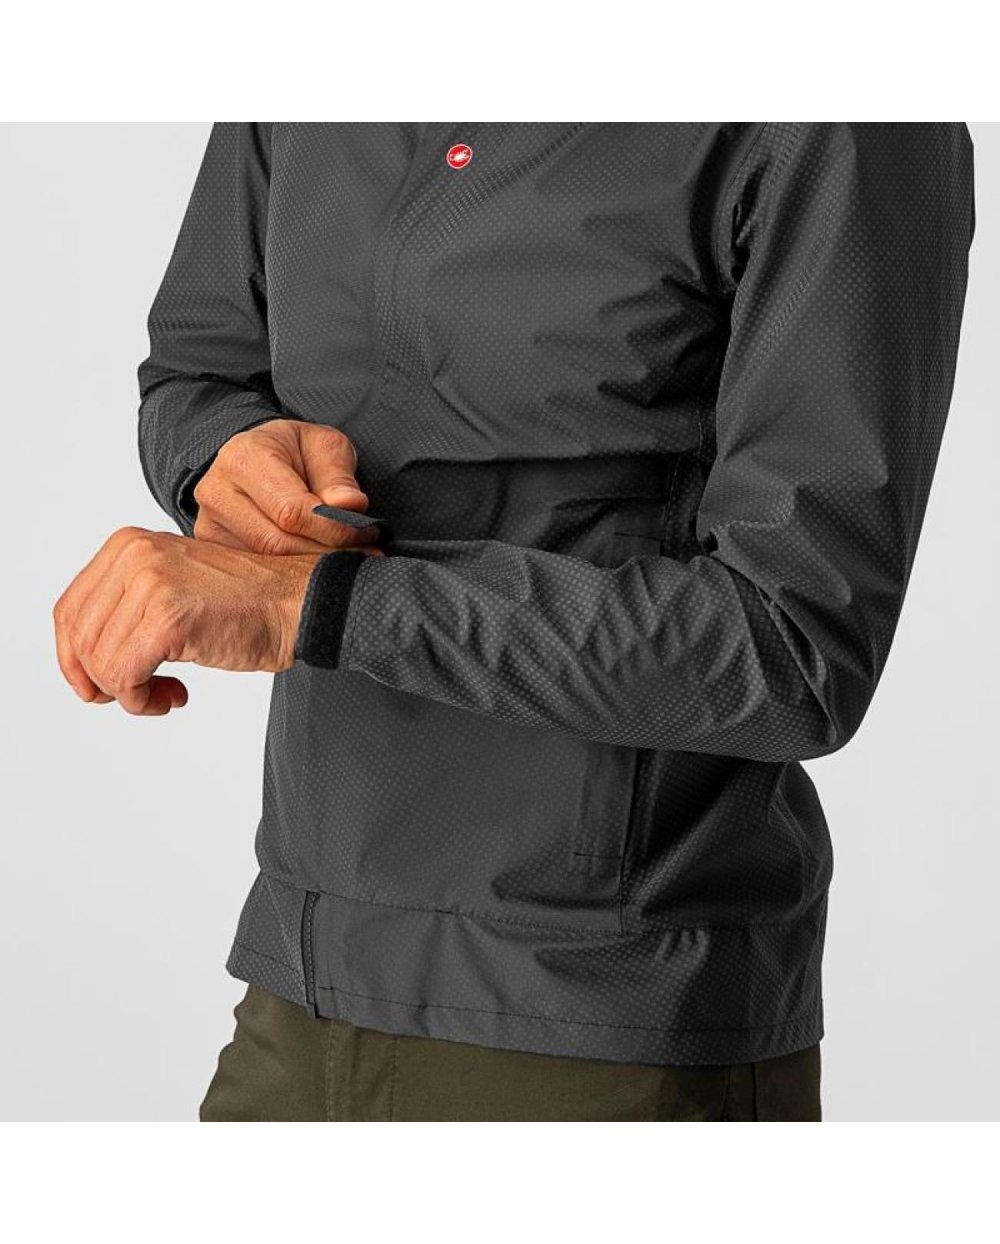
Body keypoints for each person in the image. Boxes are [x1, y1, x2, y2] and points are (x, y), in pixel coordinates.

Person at [53, 123, 974, 1121]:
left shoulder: (839, 122)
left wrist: (327, 605)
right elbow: (198, 369)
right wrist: (227, 459)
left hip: (608, 1021)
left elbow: (793, 652)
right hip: (300, 983)